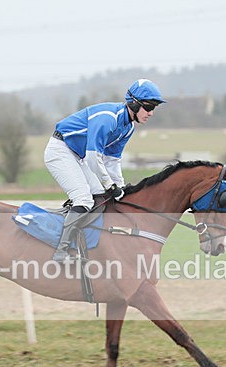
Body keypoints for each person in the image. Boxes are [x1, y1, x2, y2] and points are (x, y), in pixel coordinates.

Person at [44, 78, 166, 261]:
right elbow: (94, 156)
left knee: (100, 197)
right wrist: (110, 184)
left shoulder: (128, 128)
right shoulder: (108, 119)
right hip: (60, 150)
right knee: (84, 198)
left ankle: (85, 243)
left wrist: (120, 188)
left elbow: (112, 161)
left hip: (78, 156)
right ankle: (61, 251)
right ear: (134, 104)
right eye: (149, 107)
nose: (151, 113)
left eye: (154, 108)